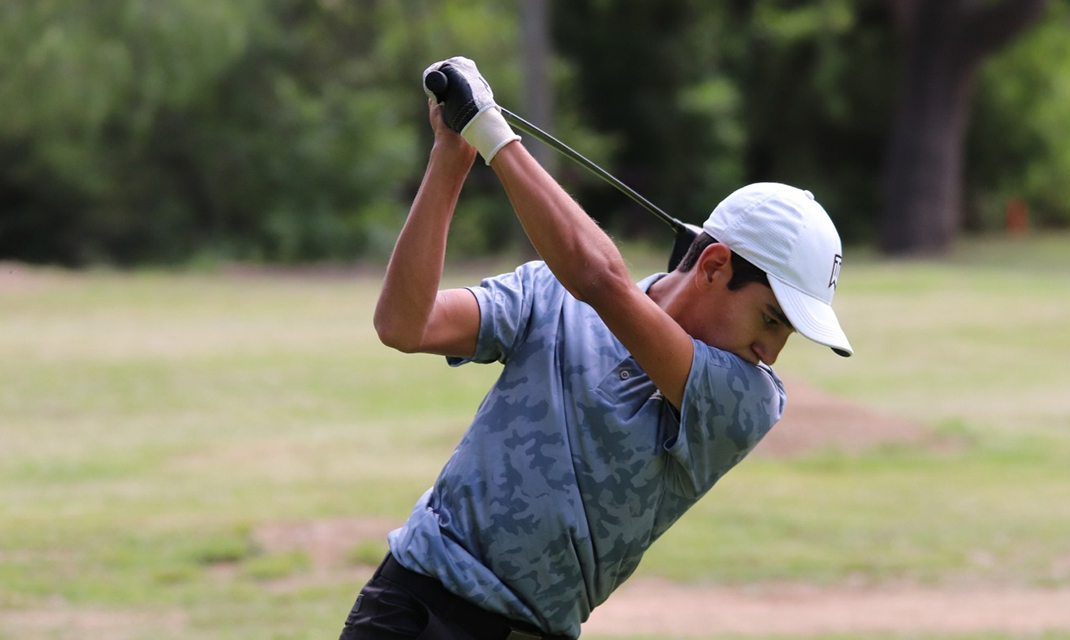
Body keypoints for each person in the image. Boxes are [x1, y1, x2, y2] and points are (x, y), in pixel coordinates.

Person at [340, 56, 852, 640]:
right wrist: (451, 161)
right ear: (713, 265)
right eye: (771, 318)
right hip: (404, 599)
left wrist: (488, 131)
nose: (772, 350)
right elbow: (405, 325)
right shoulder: (546, 293)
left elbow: (601, 280)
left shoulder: (747, 400)